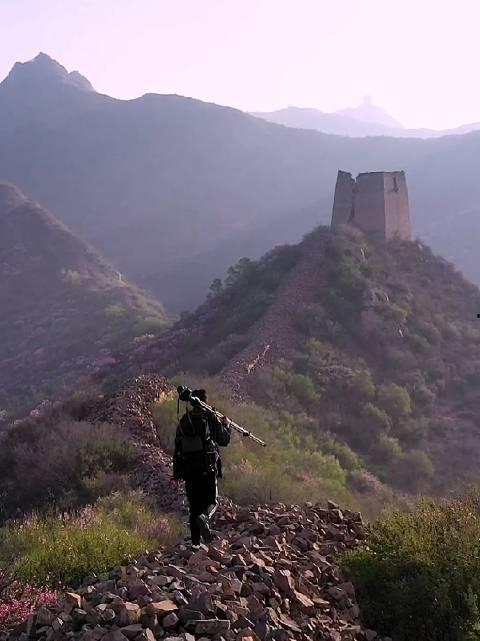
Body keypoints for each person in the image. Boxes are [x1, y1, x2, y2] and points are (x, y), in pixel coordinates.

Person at [173, 389, 231, 547]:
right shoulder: (210, 417)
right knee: (212, 502)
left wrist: (177, 473)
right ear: (205, 401)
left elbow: (177, 447)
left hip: (189, 472)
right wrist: (226, 426)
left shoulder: (185, 420)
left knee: (194, 507)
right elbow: (224, 440)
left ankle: (195, 545)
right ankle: (205, 517)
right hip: (207, 468)